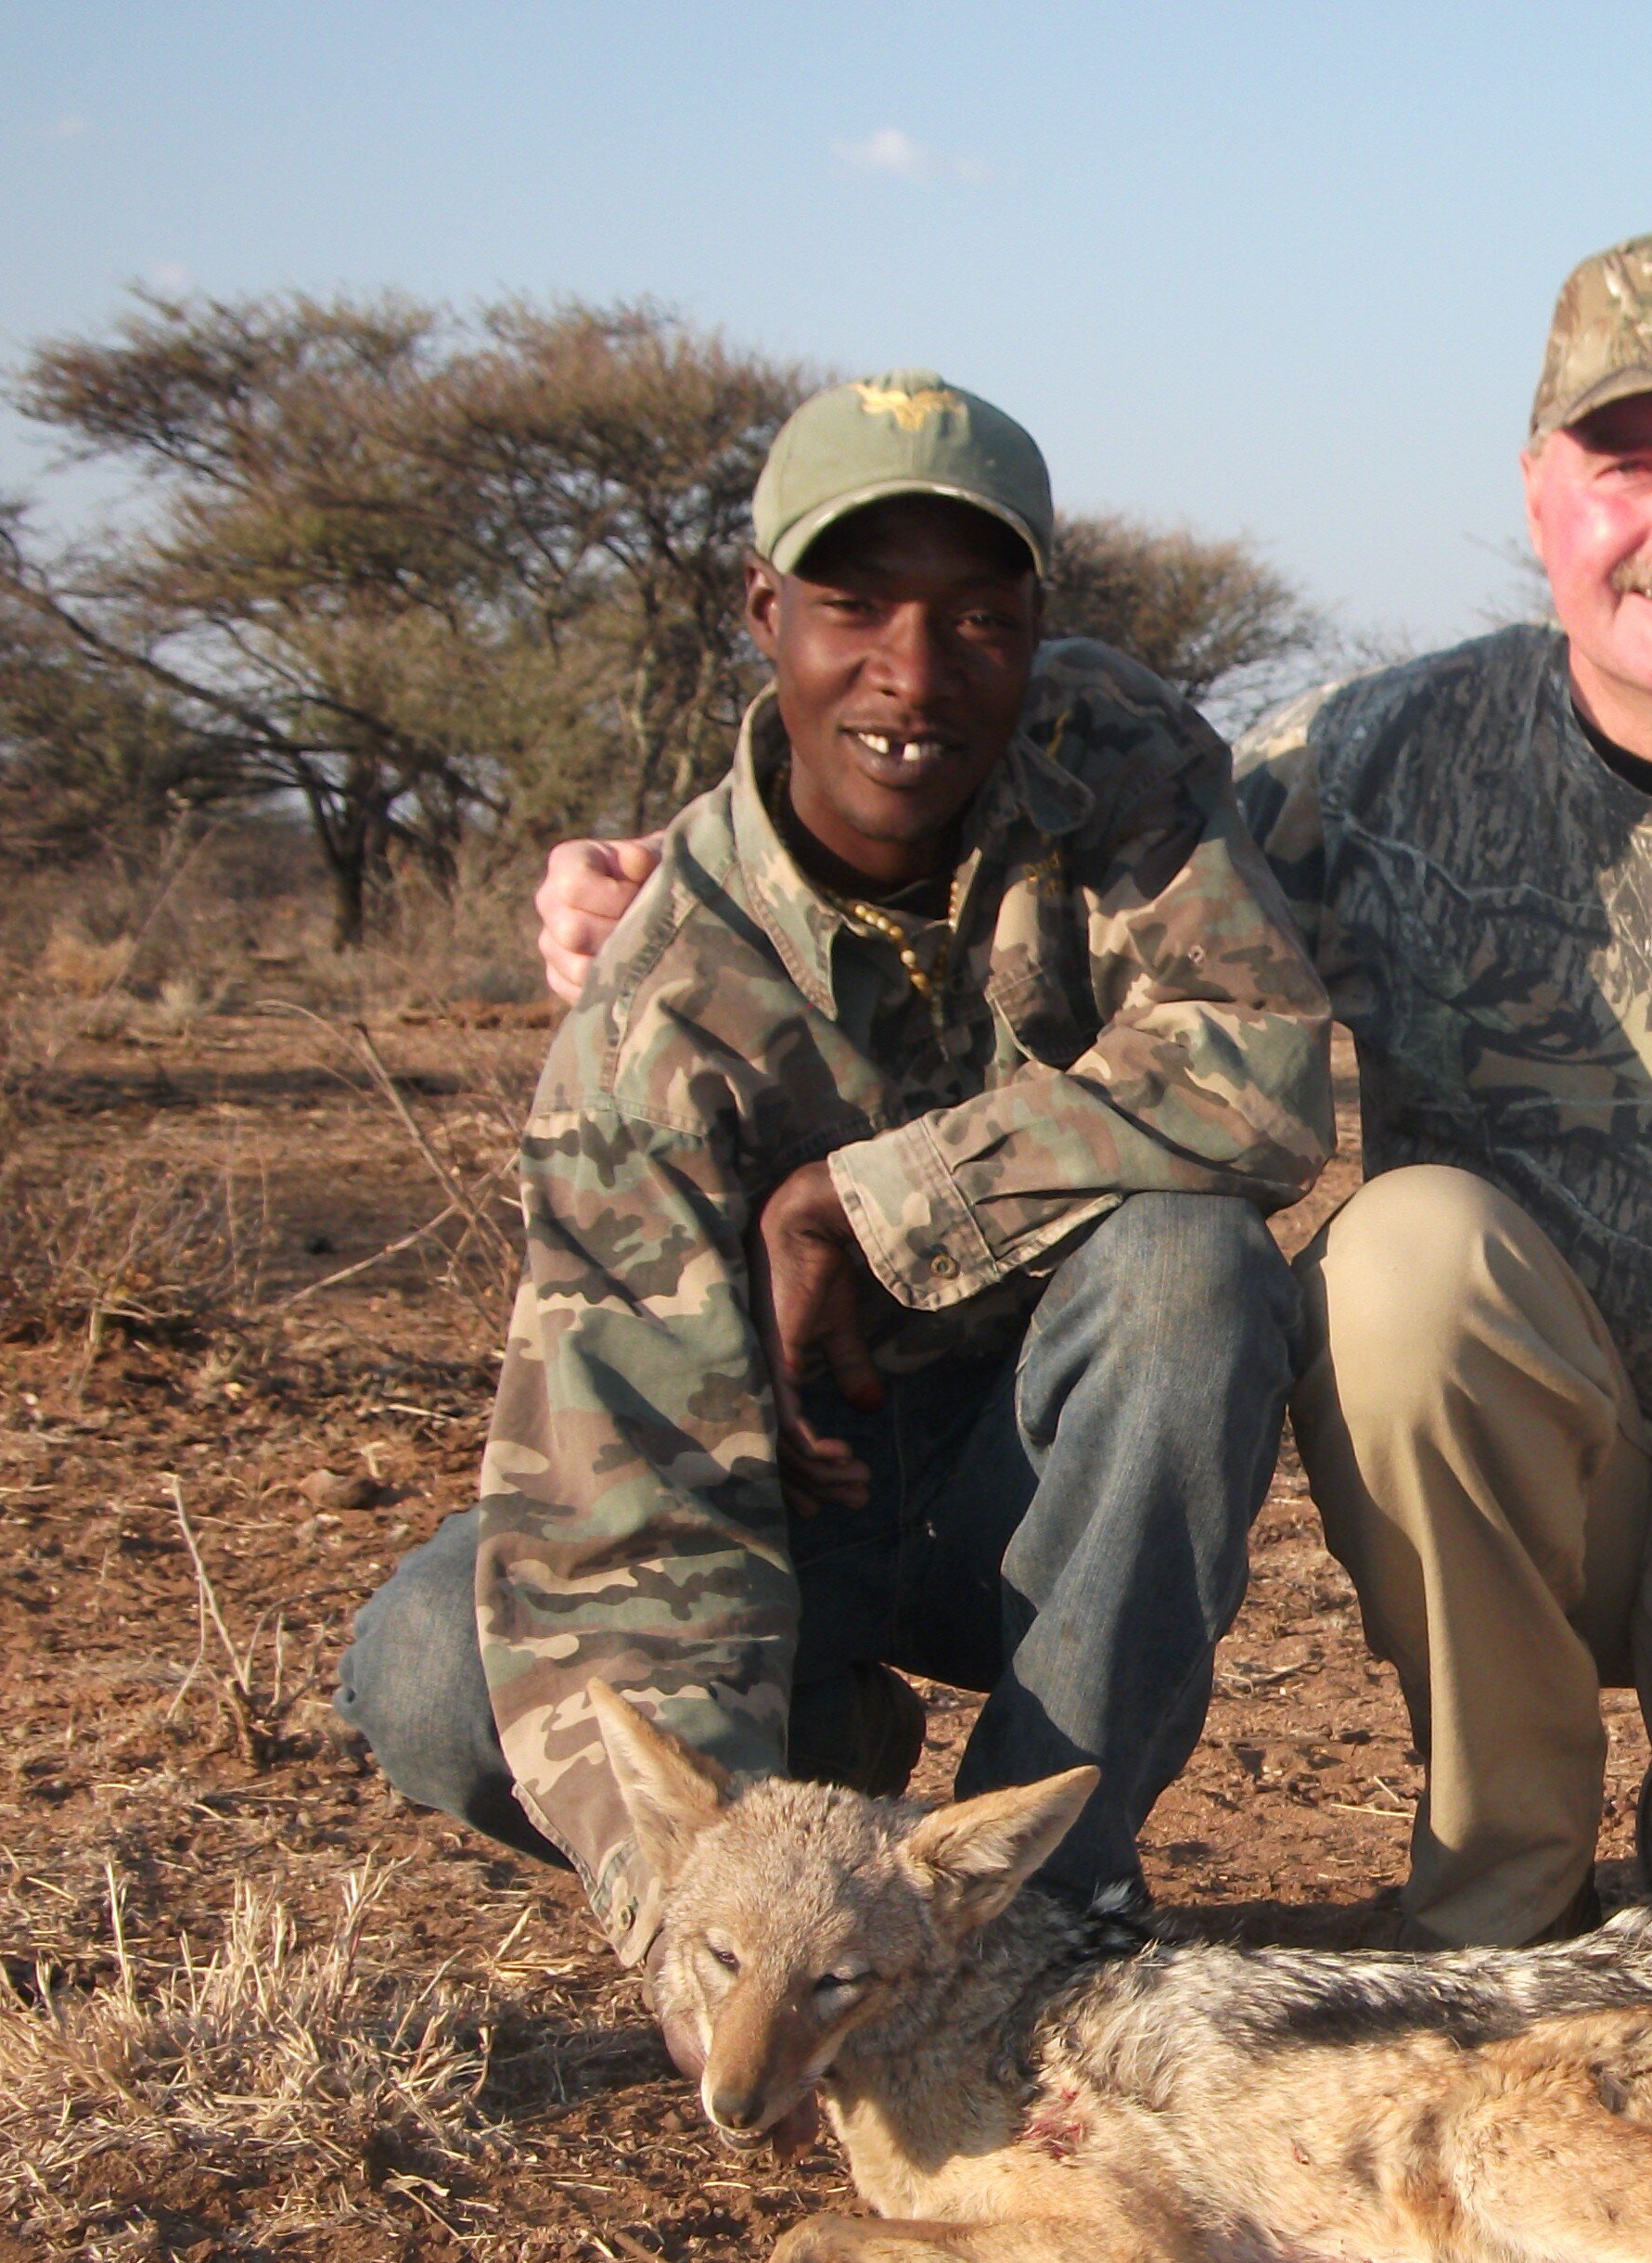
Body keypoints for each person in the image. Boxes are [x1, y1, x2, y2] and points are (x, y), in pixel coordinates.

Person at [536, 238, 1652, 2122]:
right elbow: (1033, 854)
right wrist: (707, 864)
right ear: (1542, 495)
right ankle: (1501, 1906)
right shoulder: (1364, 761)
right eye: (1627, 465)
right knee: (1399, 1256)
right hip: (1516, 1453)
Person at [346, 370, 1332, 2021]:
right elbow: (627, 1499)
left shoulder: (1111, 757)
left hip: (1030, 1500)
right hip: (767, 1518)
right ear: (763, 613)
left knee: (1192, 1270)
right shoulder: (652, 1020)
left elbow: (1260, 1070)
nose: (915, 675)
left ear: (1036, 625)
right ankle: (819, 1778)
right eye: (854, 608)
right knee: (441, 1669)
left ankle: (1045, 1915)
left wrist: (861, 1209)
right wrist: (715, 1947)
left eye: (977, 621)